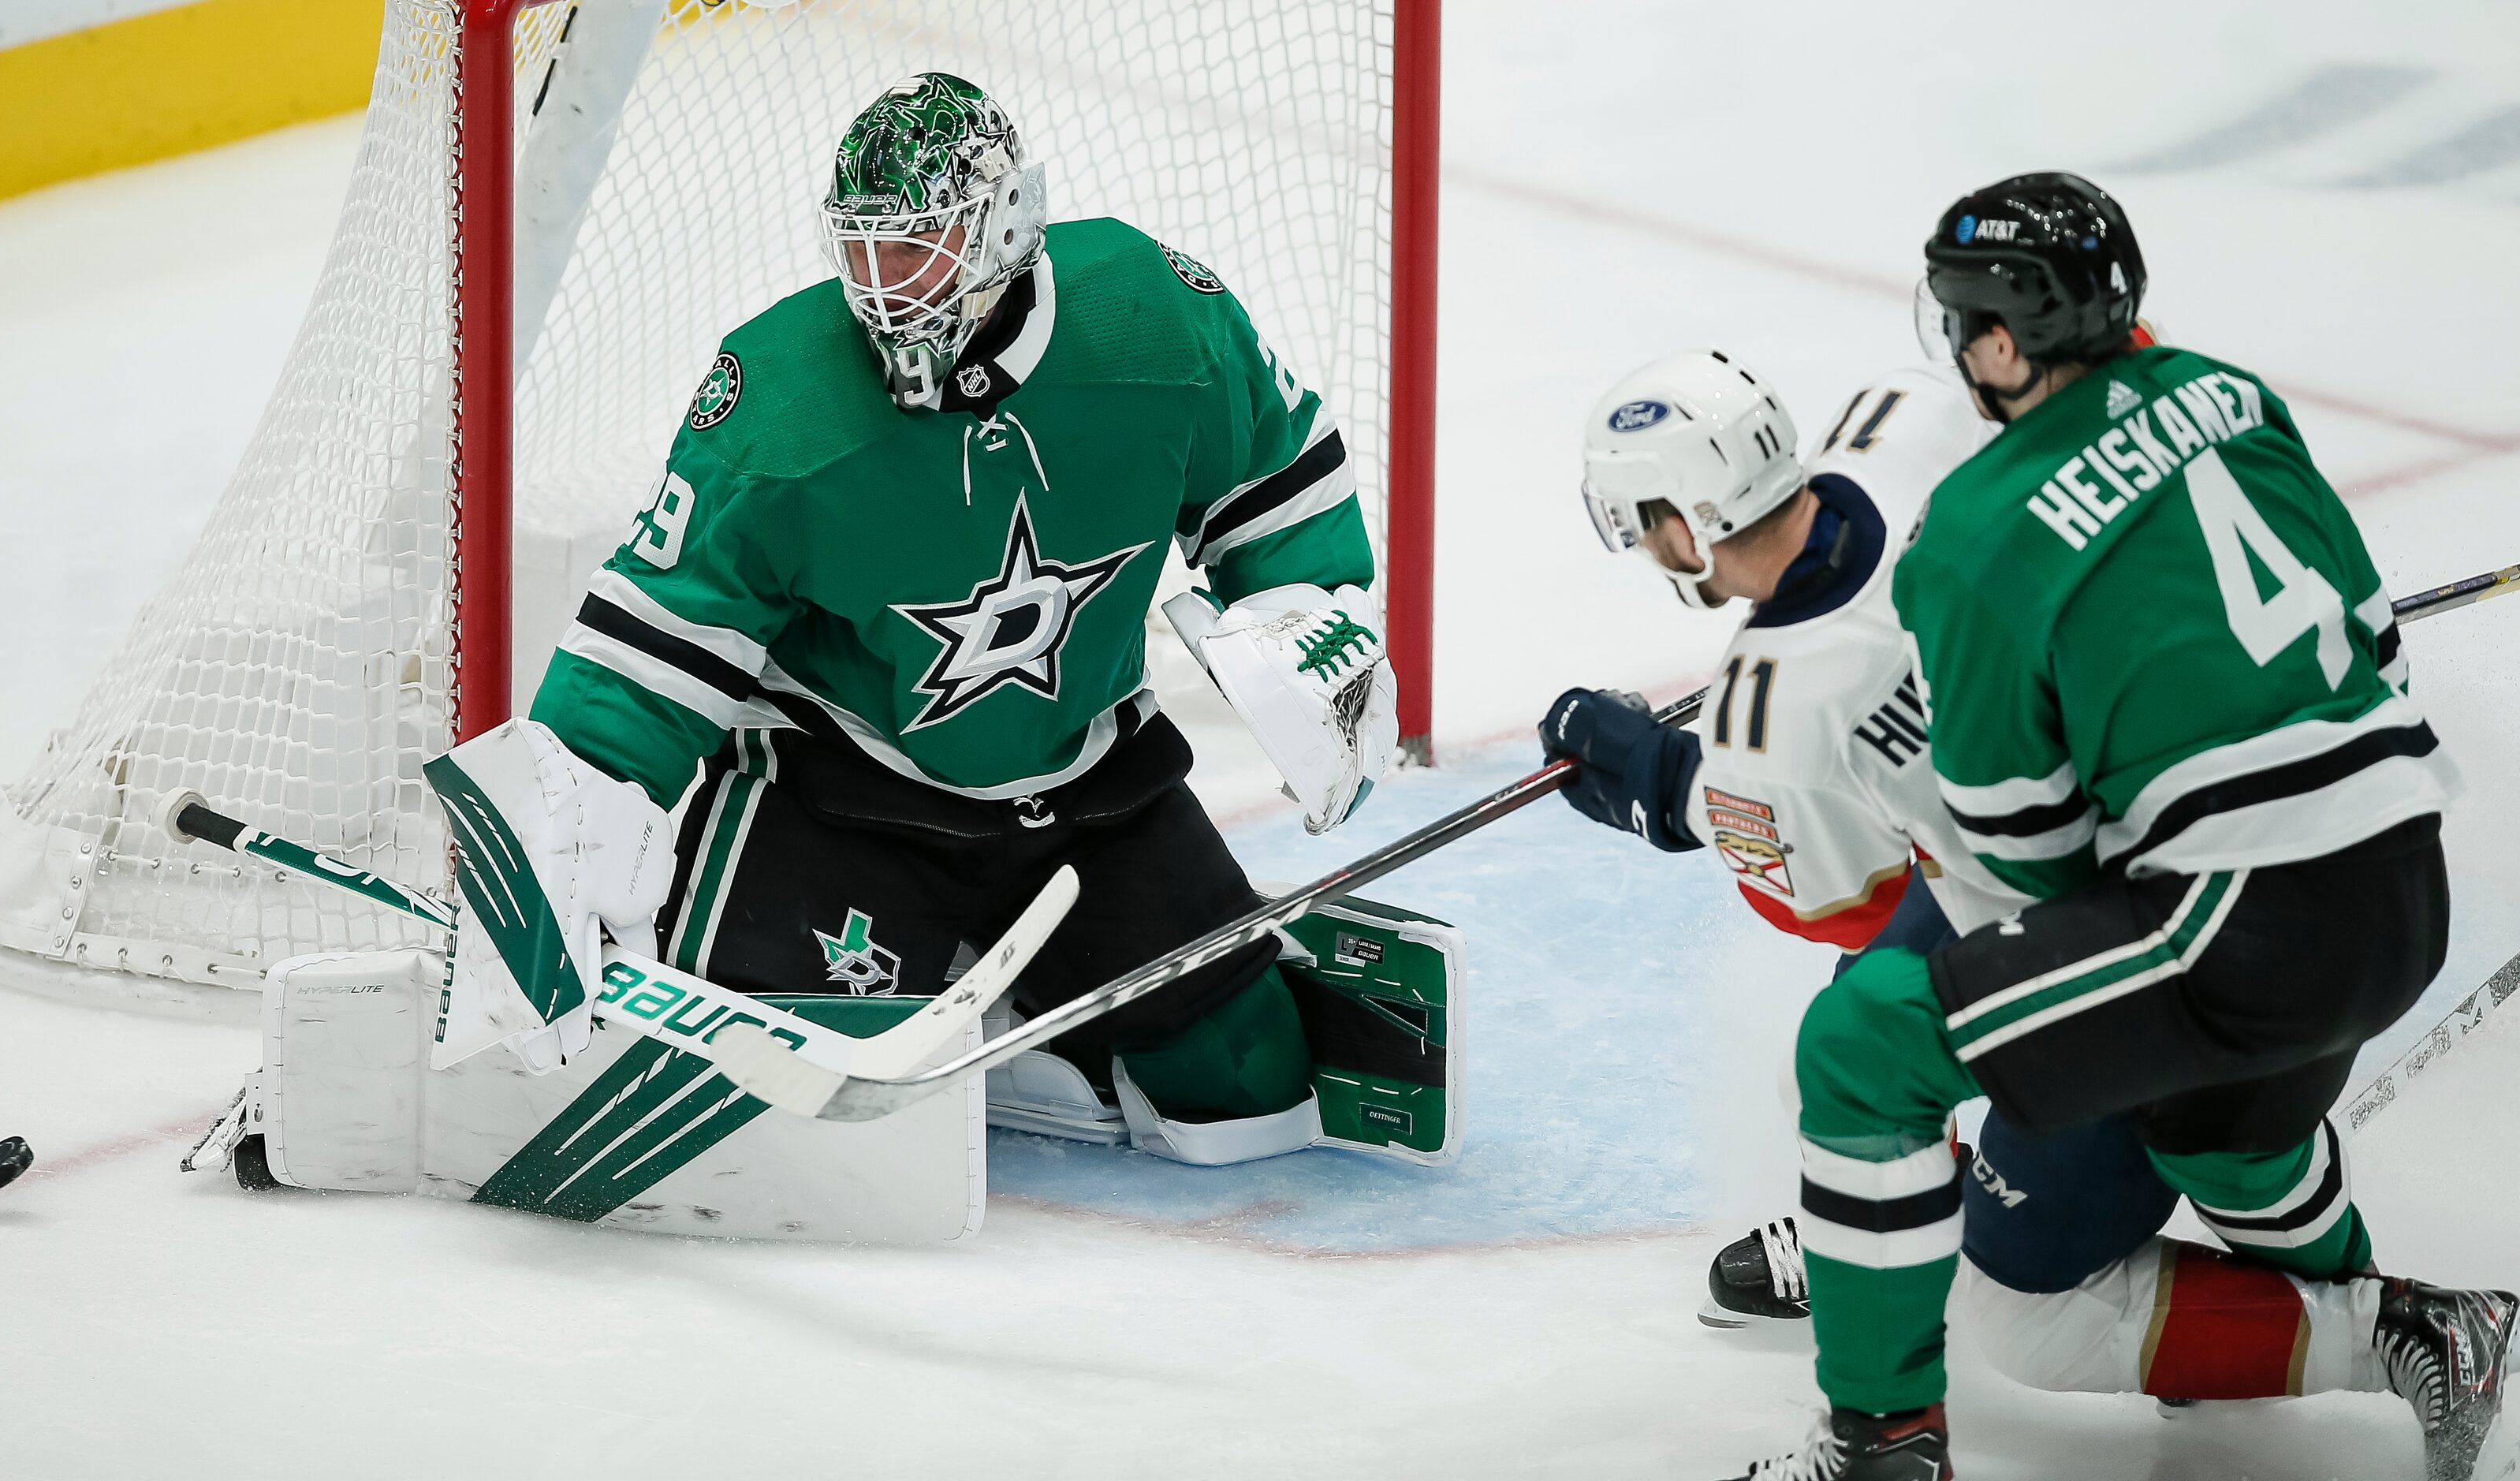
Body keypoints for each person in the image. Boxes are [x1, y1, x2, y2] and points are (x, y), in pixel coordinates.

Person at [1541, 347, 2511, 1468]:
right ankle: (1898, 1243)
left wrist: (1667, 787)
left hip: (2139, 925)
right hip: (2172, 809)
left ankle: (2393, 1321)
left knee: (2033, 1304)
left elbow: (1848, 904)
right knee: (1851, 1050)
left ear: (1680, 525)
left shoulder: (1769, 713)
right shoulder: (1900, 415)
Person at [441, 72, 1422, 1166]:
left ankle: (1015, 1016)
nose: (879, 284)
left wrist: (1304, 623)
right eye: (859, 248)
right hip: (846, 794)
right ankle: (929, 970)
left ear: (1006, 222)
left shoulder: (1153, 319)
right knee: (768, 1111)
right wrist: (564, 830)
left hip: (1091, 782)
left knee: (1251, 1092)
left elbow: (1278, 486)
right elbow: (652, 645)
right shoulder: (779, 400)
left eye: (916, 246)